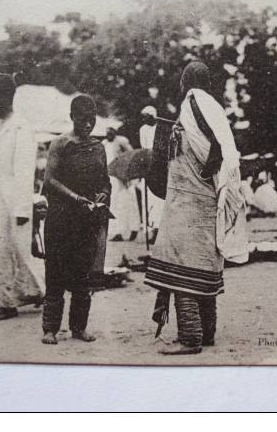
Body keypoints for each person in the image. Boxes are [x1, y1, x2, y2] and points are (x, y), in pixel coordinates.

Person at [145, 61, 247, 355]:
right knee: (203, 264)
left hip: (190, 201)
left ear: (186, 82)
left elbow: (215, 148)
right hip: (203, 199)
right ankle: (207, 331)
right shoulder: (211, 108)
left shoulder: (193, 103)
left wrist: (202, 175)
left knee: (181, 266)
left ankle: (190, 336)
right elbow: (216, 145)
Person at [41, 95, 111, 345]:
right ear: (72, 117)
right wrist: (75, 197)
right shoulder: (60, 143)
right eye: (83, 119)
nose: (88, 125)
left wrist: (102, 193)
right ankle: (50, 329)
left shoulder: (98, 147)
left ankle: (78, 327)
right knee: (55, 274)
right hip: (61, 218)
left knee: (83, 277)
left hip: (86, 220)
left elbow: (105, 179)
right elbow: (49, 180)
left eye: (92, 120)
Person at [0, 73, 43, 320]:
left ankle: (13, 301)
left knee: (16, 252)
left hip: (13, 201)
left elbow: (24, 171)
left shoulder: (21, 127)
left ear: (7, 96)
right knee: (0, 252)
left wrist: (23, 209)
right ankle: (29, 294)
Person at [102, 127, 139, 241]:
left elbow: (131, 155)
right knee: (114, 205)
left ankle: (134, 228)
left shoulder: (122, 141)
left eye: (111, 131)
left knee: (127, 203)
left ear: (115, 132)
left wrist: (127, 174)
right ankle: (117, 232)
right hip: (110, 177)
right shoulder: (104, 144)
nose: (109, 134)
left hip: (122, 178)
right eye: (107, 132)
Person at [138, 105, 165, 243]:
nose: (143, 118)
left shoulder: (160, 128)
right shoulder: (143, 130)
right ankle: (150, 230)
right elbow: (144, 148)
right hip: (148, 167)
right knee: (147, 200)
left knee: (158, 201)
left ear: (152, 115)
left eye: (145, 116)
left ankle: (158, 230)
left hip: (159, 168)